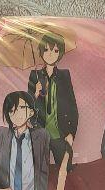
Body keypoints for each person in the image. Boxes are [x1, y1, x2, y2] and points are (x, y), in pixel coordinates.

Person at [27, 33, 79, 168]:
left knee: (65, 169)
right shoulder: (35, 75)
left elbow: (72, 105)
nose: (50, 54)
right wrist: (35, 93)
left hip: (61, 132)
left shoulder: (64, 75)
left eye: (55, 50)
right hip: (40, 131)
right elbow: (28, 106)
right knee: (39, 170)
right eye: (46, 50)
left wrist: (71, 133)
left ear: (60, 53)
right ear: (41, 52)